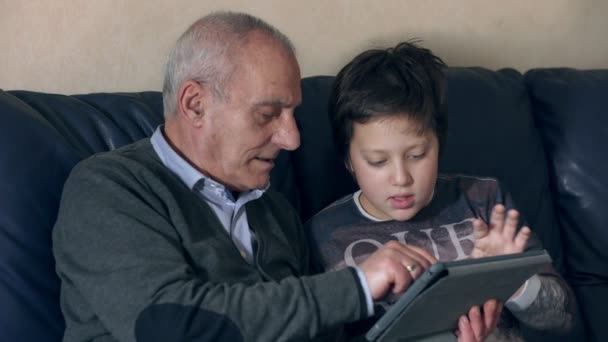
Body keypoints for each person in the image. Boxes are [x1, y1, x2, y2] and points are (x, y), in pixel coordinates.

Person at [53, 12, 499, 342]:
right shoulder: (109, 190)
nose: (291, 138)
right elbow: (170, 325)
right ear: (195, 105)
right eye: (268, 114)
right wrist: (359, 284)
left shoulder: (275, 212)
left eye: (292, 114)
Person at [306, 40, 576, 340]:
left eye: (417, 155)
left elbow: (562, 319)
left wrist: (512, 280)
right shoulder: (325, 235)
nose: (401, 178)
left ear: (439, 144)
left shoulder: (484, 199)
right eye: (378, 161)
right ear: (348, 160)